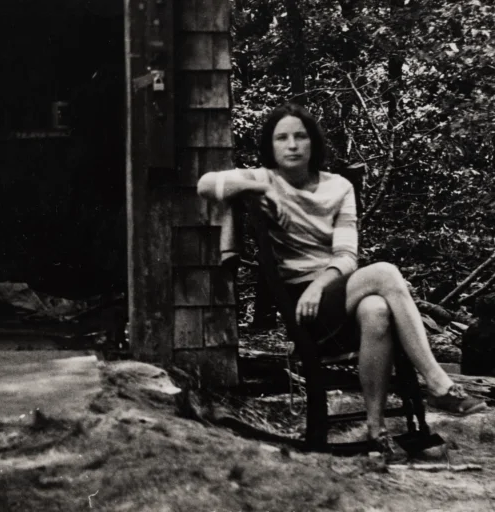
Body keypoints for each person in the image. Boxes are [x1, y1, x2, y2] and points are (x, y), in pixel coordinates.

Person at [197, 103, 486, 456]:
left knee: (377, 309)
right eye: (282, 138)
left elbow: (346, 256)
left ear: (313, 143)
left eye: (300, 136)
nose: (291, 145)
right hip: (305, 309)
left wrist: (321, 285)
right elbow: (205, 184)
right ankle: (438, 383)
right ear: (271, 147)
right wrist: (255, 185)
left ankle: (375, 429)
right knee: (385, 273)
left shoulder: (339, 187)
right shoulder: (264, 179)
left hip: (331, 294)